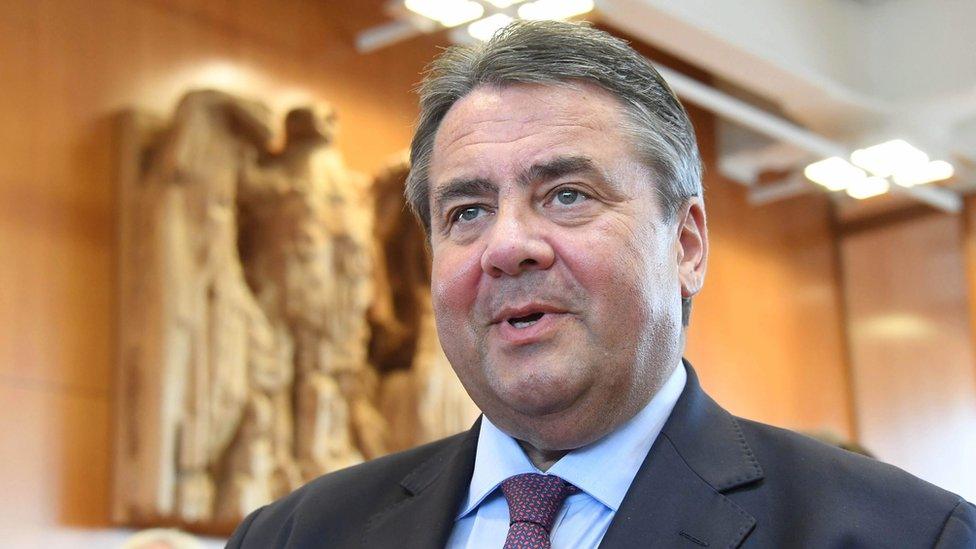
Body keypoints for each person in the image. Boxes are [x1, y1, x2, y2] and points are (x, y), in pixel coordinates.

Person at [227, 21, 976, 548]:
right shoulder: (292, 534)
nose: (507, 245)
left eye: (567, 195)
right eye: (467, 211)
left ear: (686, 245)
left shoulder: (902, 533)